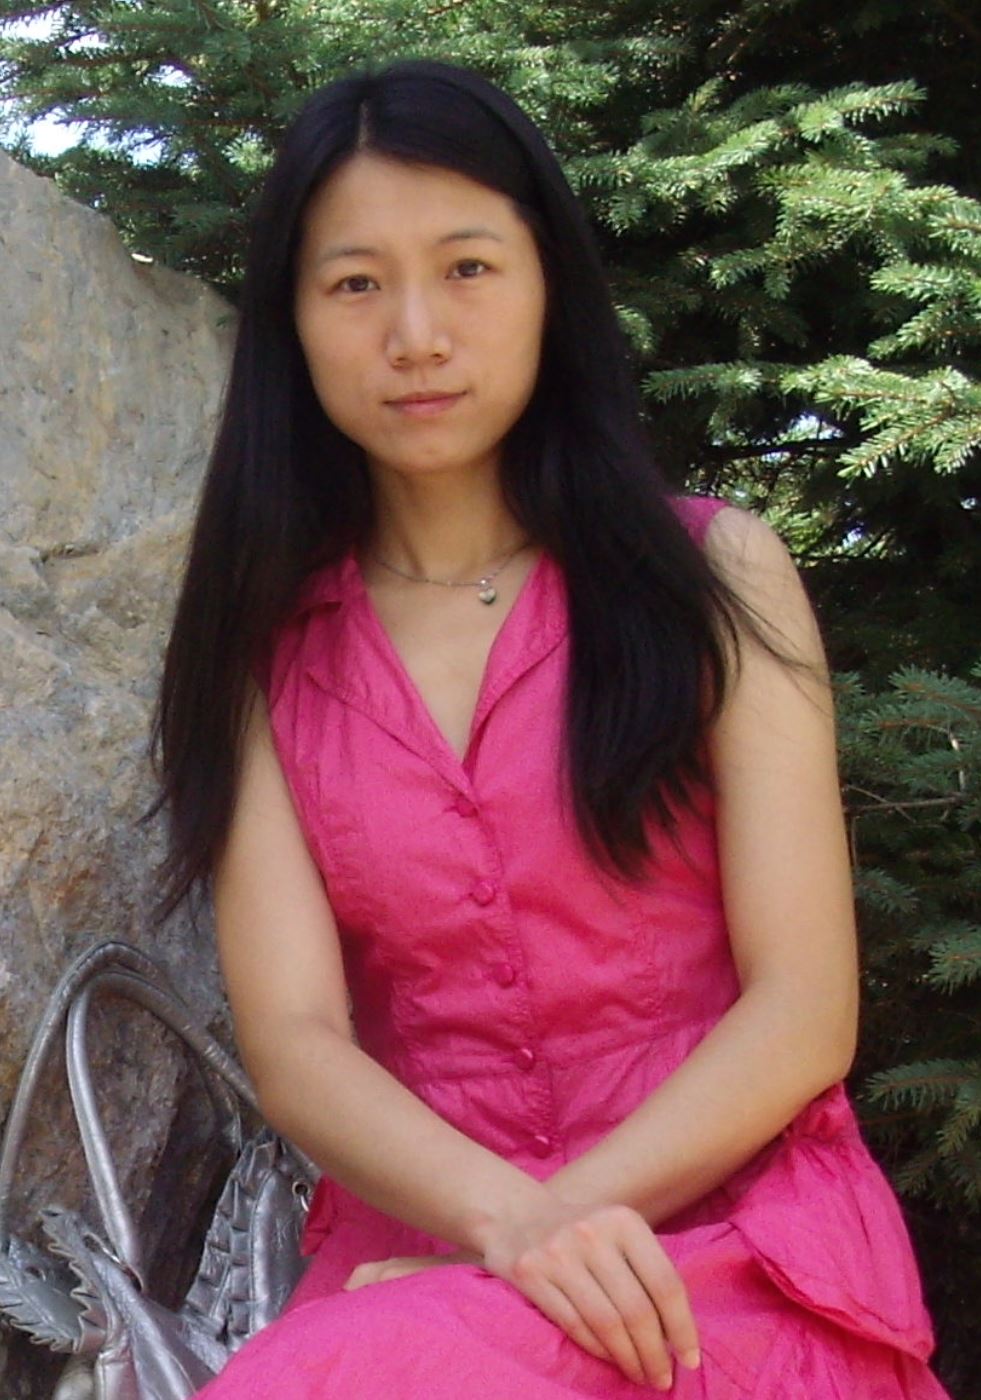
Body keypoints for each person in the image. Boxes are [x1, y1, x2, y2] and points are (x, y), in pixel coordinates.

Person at [152, 58, 950, 1398]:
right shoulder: (259, 652)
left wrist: (551, 1230)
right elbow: (295, 1040)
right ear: (291, 322)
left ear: (546, 286)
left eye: (467, 268)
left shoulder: (713, 578)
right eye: (355, 284)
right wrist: (503, 1229)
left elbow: (805, 1009)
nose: (416, 334)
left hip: (736, 1248)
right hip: (422, 1256)